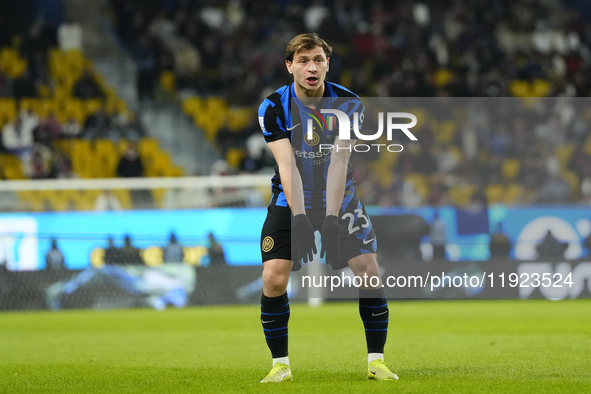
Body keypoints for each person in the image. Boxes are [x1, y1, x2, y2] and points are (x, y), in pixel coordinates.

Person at [256, 33, 397, 383]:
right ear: (289, 66)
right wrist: (301, 218)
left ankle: (376, 361)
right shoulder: (273, 107)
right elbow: (287, 167)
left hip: (340, 197)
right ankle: (280, 365)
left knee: (369, 271)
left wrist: (331, 219)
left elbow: (339, 161)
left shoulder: (349, 104)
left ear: (327, 64)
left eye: (318, 60)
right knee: (274, 277)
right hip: (290, 199)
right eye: (303, 61)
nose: (311, 67)